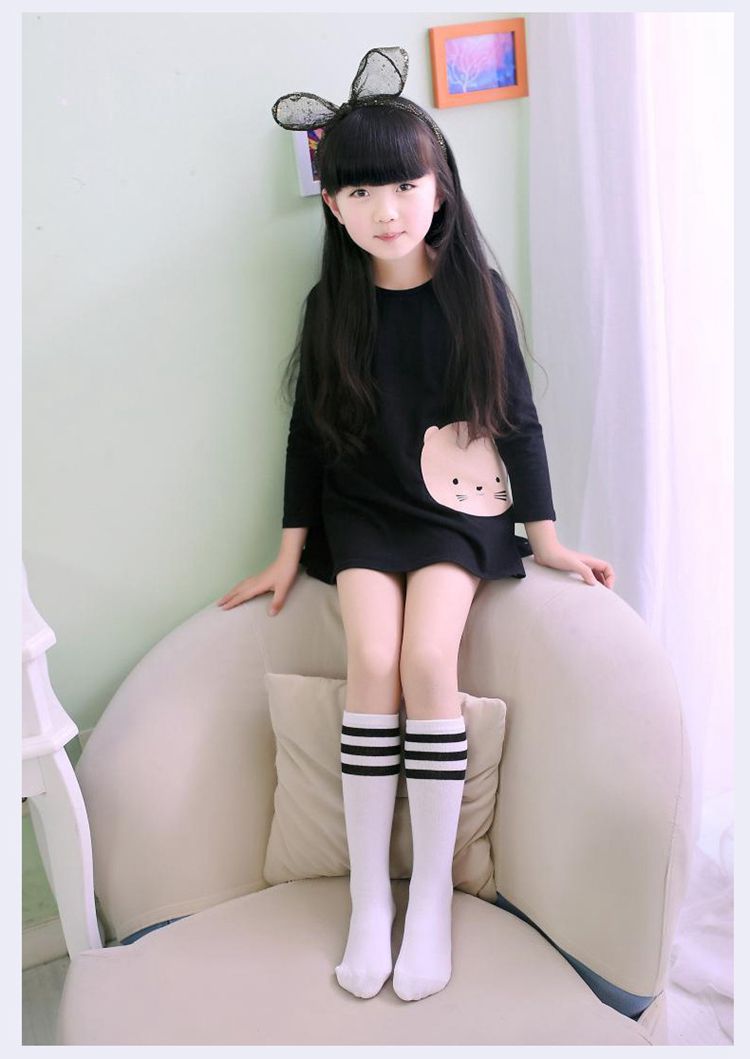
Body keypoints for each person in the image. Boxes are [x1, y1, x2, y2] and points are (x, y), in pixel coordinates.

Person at [217, 47, 615, 1004]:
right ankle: (371, 899)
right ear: (331, 205)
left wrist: (548, 540)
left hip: (454, 514)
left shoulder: (475, 293)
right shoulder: (332, 306)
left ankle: (427, 896)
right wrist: (287, 553)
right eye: (359, 191)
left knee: (430, 660)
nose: (385, 209)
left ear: (439, 189)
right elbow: (308, 437)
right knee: (373, 658)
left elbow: (516, 420)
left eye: (403, 185)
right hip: (362, 510)